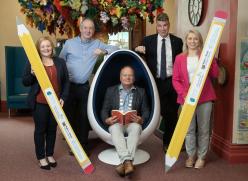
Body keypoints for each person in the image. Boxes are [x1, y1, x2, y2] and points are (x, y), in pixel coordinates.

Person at [59, 18, 118, 153]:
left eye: (91, 28)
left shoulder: (97, 43)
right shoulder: (69, 43)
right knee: (69, 116)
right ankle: (73, 145)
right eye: (85, 28)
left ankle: (83, 145)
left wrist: (104, 51)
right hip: (68, 86)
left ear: (93, 30)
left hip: (84, 87)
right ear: (80, 29)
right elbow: (61, 62)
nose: (88, 30)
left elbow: (116, 48)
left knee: (84, 116)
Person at [135, 13, 183, 150]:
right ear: (156, 26)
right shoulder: (147, 40)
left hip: (172, 81)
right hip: (155, 82)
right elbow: (138, 56)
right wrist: (137, 49)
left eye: (165, 25)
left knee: (172, 114)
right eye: (160, 26)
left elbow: (180, 62)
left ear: (169, 25)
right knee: (157, 111)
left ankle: (168, 143)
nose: (163, 29)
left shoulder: (177, 41)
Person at [172, 30, 219, 169]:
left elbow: (215, 74)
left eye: (196, 39)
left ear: (200, 41)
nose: (192, 41)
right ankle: (191, 155)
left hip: (205, 97)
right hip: (186, 98)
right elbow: (175, 80)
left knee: (204, 130)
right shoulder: (179, 58)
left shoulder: (206, 56)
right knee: (189, 129)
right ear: (186, 40)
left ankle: (202, 157)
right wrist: (184, 93)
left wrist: (212, 60)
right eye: (190, 38)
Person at [22, 36, 70, 170]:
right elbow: (25, 82)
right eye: (43, 46)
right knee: (40, 130)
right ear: (38, 48)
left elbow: (66, 82)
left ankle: (49, 154)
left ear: (52, 47)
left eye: (48, 46)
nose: (46, 48)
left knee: (52, 130)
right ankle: (41, 157)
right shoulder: (33, 62)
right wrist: (32, 74)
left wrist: (64, 97)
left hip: (56, 103)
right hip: (40, 102)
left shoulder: (60, 62)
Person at [101, 66, 150, 177]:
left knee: (137, 127)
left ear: (134, 78)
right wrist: (107, 119)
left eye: (130, 75)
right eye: (125, 75)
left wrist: (141, 119)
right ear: (120, 77)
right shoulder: (111, 90)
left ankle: (125, 163)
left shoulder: (141, 92)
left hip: (132, 122)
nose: (127, 77)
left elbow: (146, 110)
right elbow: (104, 109)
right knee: (114, 128)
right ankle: (128, 162)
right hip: (116, 122)